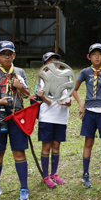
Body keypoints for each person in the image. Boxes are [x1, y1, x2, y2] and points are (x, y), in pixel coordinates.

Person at [0, 40, 31, 200]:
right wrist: (0, 102)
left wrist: (19, 86)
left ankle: (24, 188)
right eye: (3, 54)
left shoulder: (20, 72)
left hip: (17, 115)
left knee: (19, 151)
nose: (7, 57)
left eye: (10, 54)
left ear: (14, 55)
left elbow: (27, 95)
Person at [72, 43, 101, 190]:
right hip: (90, 112)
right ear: (88, 56)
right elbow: (75, 89)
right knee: (88, 142)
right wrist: (81, 104)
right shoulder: (85, 72)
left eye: (99, 54)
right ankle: (85, 174)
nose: (96, 57)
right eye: (93, 54)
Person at [36, 52, 72, 188]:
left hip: (61, 117)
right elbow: (48, 102)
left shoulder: (66, 77)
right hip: (47, 117)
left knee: (56, 146)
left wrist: (68, 102)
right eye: (49, 61)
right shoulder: (42, 79)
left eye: (55, 61)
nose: (53, 64)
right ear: (45, 65)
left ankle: (54, 174)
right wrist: (43, 97)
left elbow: (68, 97)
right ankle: (45, 176)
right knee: (46, 146)